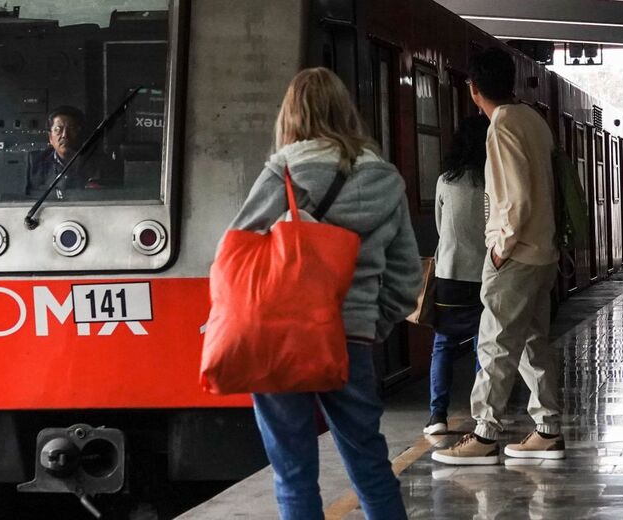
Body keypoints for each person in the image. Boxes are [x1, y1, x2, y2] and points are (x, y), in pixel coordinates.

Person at [228, 67, 422, 520]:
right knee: (370, 465)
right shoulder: (386, 179)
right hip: (351, 338)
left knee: (293, 474)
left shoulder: (283, 171)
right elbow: (406, 275)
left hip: (282, 338)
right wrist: (373, 326)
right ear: (345, 111)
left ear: (291, 115)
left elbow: (236, 250)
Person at [433, 48, 564, 466]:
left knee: (495, 343)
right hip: (542, 252)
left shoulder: (502, 125)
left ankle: (485, 435)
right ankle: (547, 429)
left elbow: (516, 197)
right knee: (532, 342)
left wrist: (499, 248)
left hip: (518, 253)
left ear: (473, 89)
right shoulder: (533, 119)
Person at [424, 114, 490, 436]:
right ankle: (482, 415)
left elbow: (440, 228)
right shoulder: (492, 180)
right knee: (484, 345)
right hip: (484, 275)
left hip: (449, 274)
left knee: (443, 345)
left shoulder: (445, 181)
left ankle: (437, 416)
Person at [27, 105, 89, 194]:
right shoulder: (35, 164)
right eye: (58, 129)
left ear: (82, 135)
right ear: (50, 137)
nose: (64, 135)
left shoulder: (98, 163)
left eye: (71, 129)